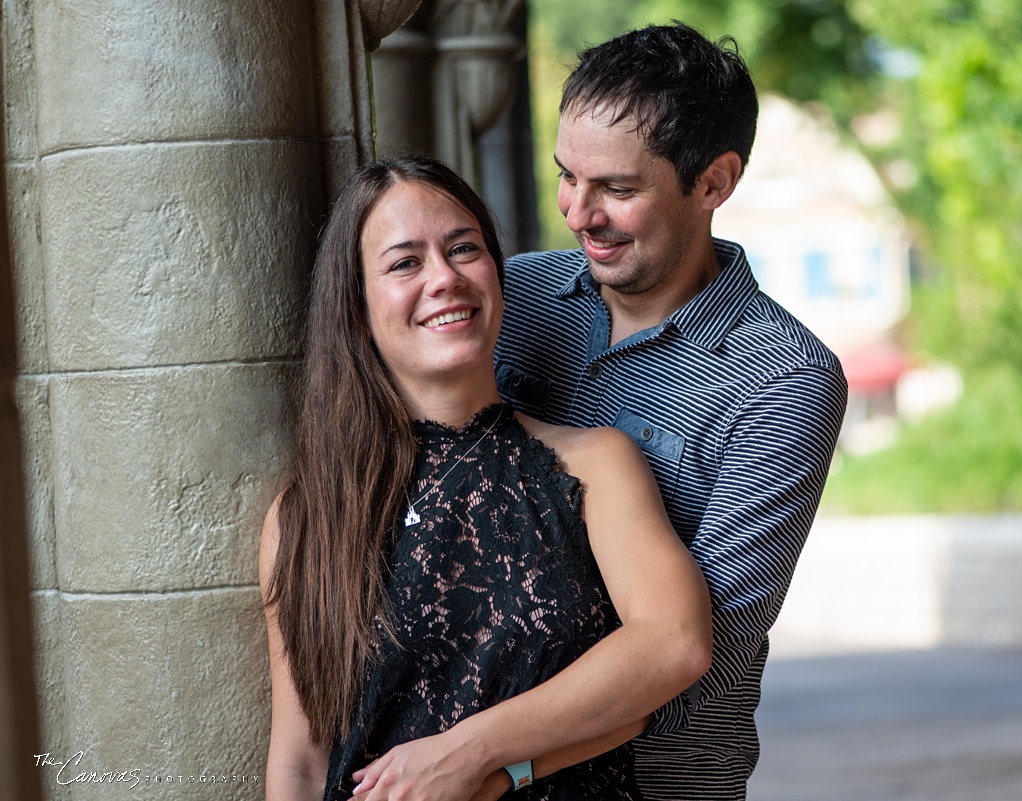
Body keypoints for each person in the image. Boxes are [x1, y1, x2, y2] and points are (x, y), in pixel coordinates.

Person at [259, 156, 712, 801]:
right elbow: (299, 763)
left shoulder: (594, 466)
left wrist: (472, 758)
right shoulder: (306, 515)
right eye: (404, 262)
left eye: (463, 249)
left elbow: (672, 647)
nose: (444, 278)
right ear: (357, 307)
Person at [494, 23, 848, 801]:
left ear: (715, 181)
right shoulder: (511, 296)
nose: (578, 213)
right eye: (566, 176)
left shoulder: (785, 378)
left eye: (617, 190)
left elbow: (700, 660)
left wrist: (486, 756)